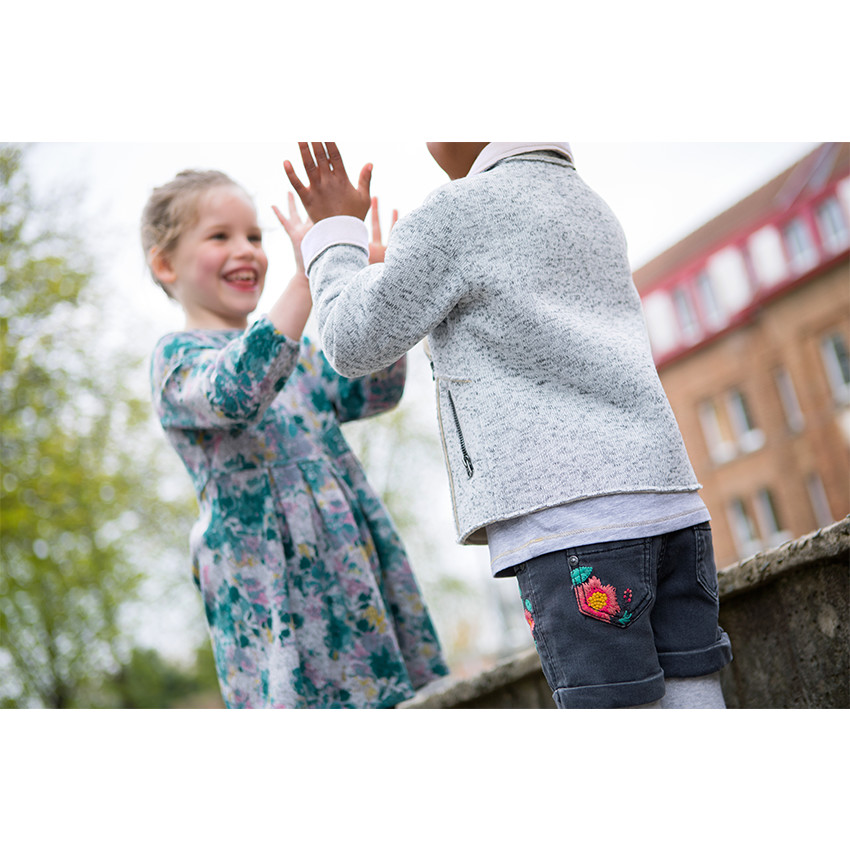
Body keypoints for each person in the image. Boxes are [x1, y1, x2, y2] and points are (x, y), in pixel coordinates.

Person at [284, 142, 733, 709]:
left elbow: (352, 342)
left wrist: (333, 235)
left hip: (572, 523)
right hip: (672, 506)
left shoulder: (454, 213)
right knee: (697, 701)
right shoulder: (588, 204)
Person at [142, 168, 448, 708]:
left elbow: (371, 391)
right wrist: (309, 275)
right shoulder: (176, 361)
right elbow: (236, 389)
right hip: (270, 584)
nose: (248, 250)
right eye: (221, 236)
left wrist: (368, 285)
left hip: (347, 563)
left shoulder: (299, 357)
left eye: (255, 237)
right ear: (166, 263)